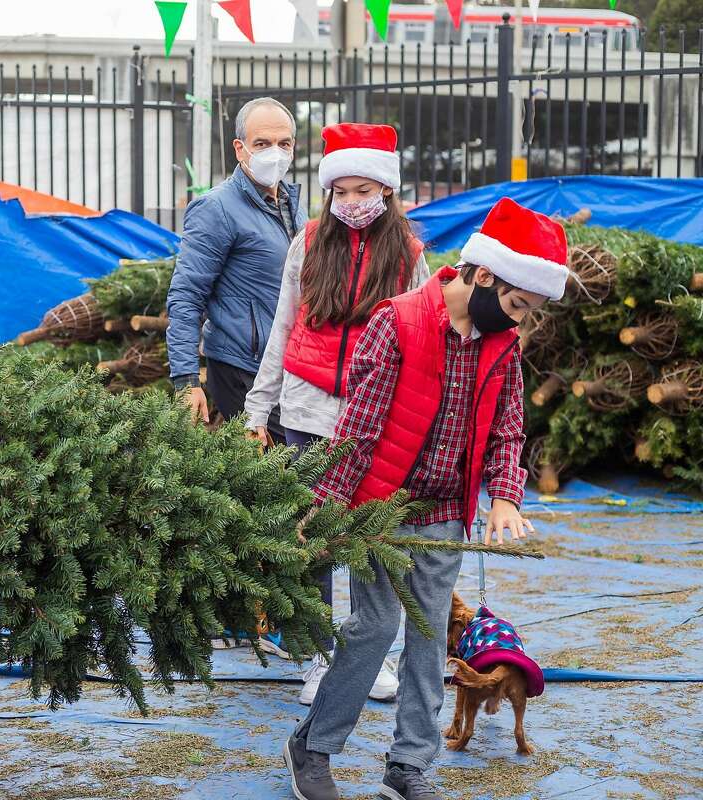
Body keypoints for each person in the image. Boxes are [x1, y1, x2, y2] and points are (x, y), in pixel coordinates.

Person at [282, 197, 568, 800]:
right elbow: (359, 425)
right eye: (516, 304)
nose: (517, 321)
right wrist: (327, 500)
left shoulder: (501, 345)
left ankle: (408, 765)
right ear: (484, 274)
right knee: (375, 625)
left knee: (430, 636)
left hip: (445, 512)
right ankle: (314, 745)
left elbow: (508, 427)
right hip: (384, 508)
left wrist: (506, 497)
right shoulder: (399, 321)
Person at [244, 123, 429, 707]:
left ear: (387, 192)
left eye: (363, 190)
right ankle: (317, 658)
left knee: (372, 541)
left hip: (377, 420)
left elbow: (426, 340)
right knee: (313, 541)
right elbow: (281, 327)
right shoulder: (307, 243)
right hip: (306, 412)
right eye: (340, 191)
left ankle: (364, 655)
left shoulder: (411, 255)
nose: (351, 203)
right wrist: (258, 407)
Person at [167, 96, 305, 443]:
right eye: (262, 143)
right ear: (239, 148)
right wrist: (185, 380)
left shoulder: (291, 204)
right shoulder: (216, 209)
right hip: (241, 367)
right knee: (281, 472)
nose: (275, 152)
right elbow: (186, 295)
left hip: (286, 367)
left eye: (283, 143)